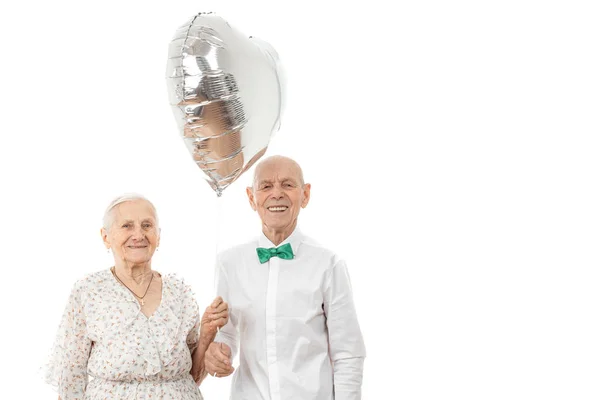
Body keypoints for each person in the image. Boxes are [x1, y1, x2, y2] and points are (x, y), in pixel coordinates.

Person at [205, 156, 366, 399]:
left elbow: (348, 353)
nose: (277, 194)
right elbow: (226, 332)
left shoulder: (328, 264)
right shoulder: (229, 263)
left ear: (305, 195)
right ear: (251, 197)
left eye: (288, 185)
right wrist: (217, 351)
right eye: (266, 186)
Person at [44, 193, 228, 399]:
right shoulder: (88, 292)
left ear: (158, 236)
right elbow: (71, 377)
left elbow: (193, 375)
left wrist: (207, 334)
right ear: (106, 237)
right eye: (127, 226)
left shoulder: (180, 292)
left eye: (147, 225)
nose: (138, 235)